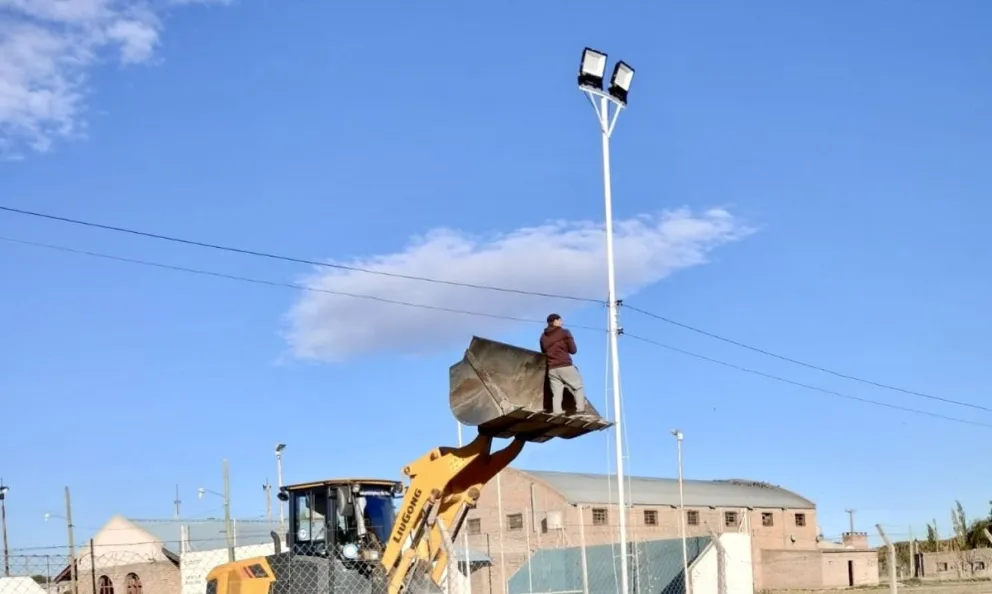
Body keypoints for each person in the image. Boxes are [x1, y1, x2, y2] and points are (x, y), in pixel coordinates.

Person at [539, 313, 587, 415]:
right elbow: (573, 350)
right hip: (565, 365)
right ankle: (580, 410)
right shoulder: (565, 333)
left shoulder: (543, 337)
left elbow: (543, 352)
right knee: (578, 387)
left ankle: (557, 411)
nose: (562, 322)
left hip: (552, 369)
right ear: (555, 321)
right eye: (560, 320)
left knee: (556, 392)